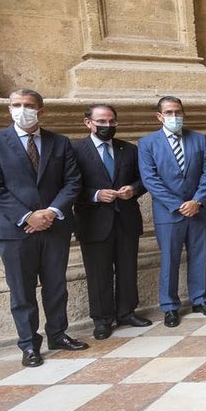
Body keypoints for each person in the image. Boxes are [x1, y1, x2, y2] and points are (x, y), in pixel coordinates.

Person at [0, 89, 86, 366]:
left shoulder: (60, 143)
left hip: (54, 226)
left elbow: (72, 182)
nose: (22, 109)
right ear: (9, 109)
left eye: (28, 105)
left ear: (41, 110)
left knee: (56, 285)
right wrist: (27, 216)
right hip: (14, 231)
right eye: (16, 105)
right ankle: (28, 344)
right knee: (22, 290)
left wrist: (50, 212)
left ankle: (58, 334)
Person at [71, 104, 150, 340]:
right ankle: (102, 319)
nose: (107, 126)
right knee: (98, 272)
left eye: (111, 122)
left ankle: (127, 312)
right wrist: (95, 195)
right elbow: (69, 185)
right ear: (88, 123)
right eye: (101, 122)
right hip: (93, 221)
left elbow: (143, 180)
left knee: (128, 268)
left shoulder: (129, 149)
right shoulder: (75, 150)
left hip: (126, 218)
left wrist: (133, 190)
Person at [139, 95, 206, 328]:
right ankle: (170, 306)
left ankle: (200, 299)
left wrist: (197, 201)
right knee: (170, 260)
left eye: (178, 112)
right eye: (169, 113)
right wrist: (177, 204)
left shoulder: (199, 139)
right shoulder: (147, 143)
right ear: (159, 116)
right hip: (168, 213)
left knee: (199, 255)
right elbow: (150, 179)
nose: (175, 117)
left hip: (197, 210)